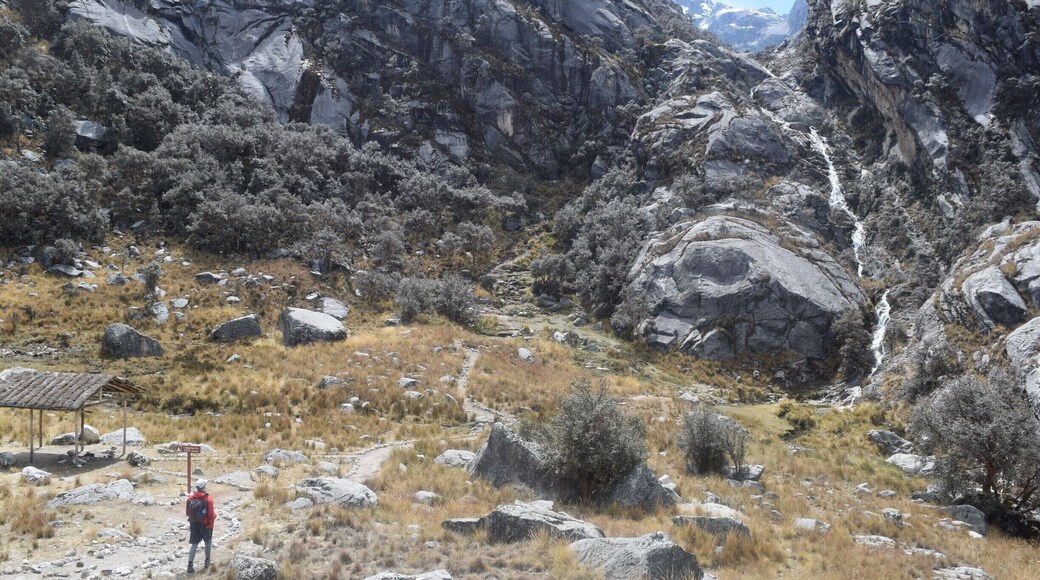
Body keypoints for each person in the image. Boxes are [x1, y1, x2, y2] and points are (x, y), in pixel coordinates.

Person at [185, 479, 216, 573]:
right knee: (207, 543)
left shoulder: (190, 498)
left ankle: (190, 565)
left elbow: (187, 513)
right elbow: (211, 515)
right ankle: (207, 562)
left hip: (194, 524)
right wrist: (214, 515)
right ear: (203, 487)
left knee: (194, 544)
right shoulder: (208, 498)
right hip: (206, 524)